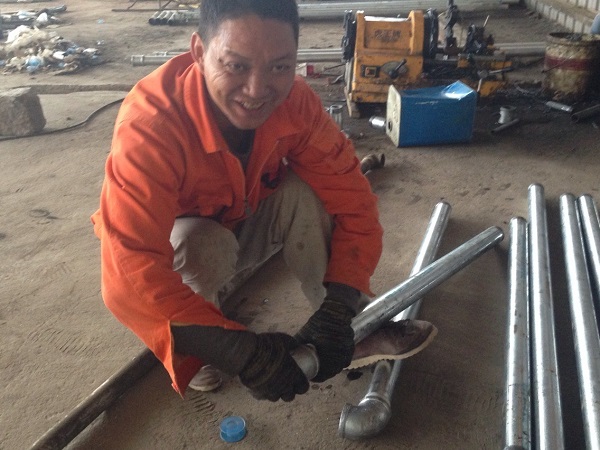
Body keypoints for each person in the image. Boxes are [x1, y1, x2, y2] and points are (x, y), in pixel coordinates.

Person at [91, 0, 436, 403]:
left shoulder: (295, 104)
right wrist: (239, 352)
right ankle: (199, 348)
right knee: (203, 244)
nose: (257, 91)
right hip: (186, 253)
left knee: (305, 194)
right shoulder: (151, 124)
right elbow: (128, 273)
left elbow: (353, 201)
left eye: (279, 67)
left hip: (242, 217)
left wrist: (340, 304)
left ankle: (353, 327)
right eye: (236, 66)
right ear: (199, 52)